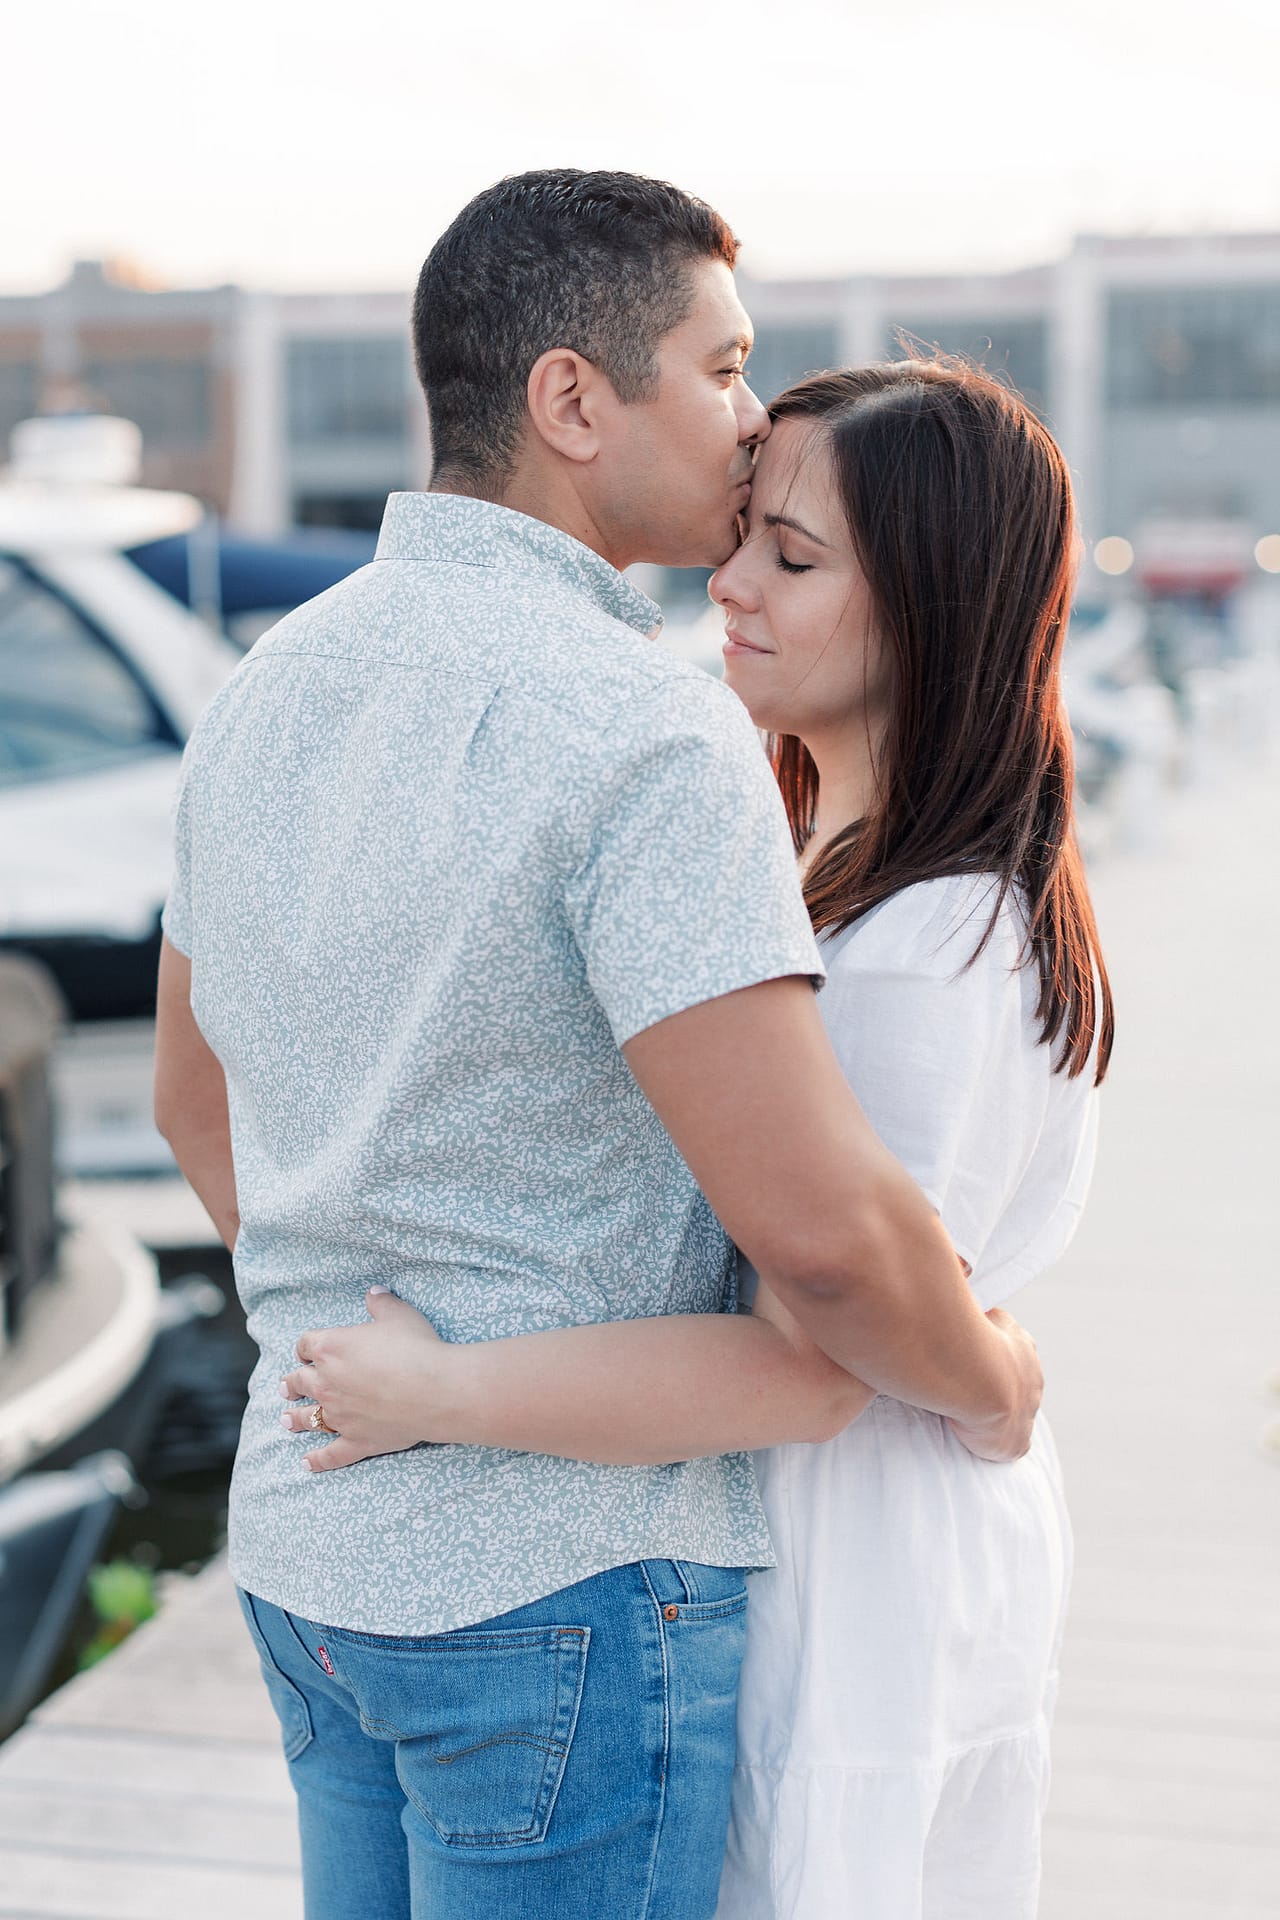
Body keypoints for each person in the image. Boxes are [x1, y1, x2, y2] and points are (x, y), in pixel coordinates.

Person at [154, 169, 1042, 1920]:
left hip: (314, 1542)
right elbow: (824, 1245)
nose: (747, 424)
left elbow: (198, 1110)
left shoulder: (264, 684)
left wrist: (377, 1314)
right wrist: (997, 1378)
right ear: (574, 399)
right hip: (561, 1593)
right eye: (721, 371)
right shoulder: (641, 729)